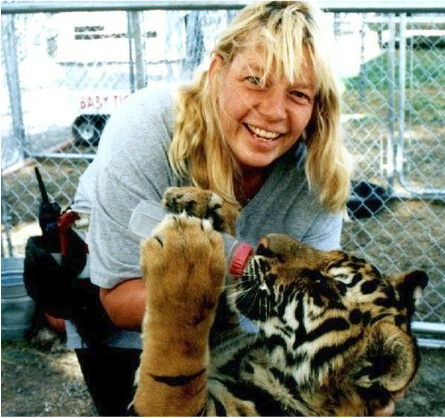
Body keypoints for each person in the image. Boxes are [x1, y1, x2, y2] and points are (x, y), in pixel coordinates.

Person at [69, 0, 403, 416]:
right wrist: (234, 285)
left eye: (298, 94)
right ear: (217, 71)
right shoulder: (146, 127)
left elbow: (307, 323)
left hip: (244, 334)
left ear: (316, 106)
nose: (274, 112)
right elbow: (118, 299)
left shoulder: (319, 179)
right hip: (126, 323)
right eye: (255, 80)